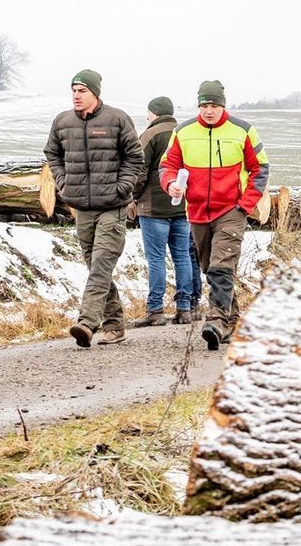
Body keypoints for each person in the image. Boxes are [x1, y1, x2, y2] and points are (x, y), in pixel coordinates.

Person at [159, 80, 269, 351]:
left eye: (214, 105)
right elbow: (167, 165)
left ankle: (217, 322)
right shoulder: (183, 131)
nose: (209, 110)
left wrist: (245, 204)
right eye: (204, 105)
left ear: (223, 105)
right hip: (196, 211)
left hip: (231, 210)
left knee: (222, 265)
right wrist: (171, 183)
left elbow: (260, 169)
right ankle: (233, 319)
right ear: (199, 105)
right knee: (210, 267)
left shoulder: (243, 131)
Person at [45, 69, 145, 349]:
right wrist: (63, 181)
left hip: (113, 206)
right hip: (82, 207)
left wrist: (122, 187)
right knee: (95, 266)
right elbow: (52, 153)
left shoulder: (116, 119)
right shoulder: (62, 122)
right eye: (74, 91)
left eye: (82, 91)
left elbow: (135, 157)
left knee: (101, 262)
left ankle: (87, 322)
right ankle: (114, 324)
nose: (77, 96)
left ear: (95, 93)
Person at [132, 96, 196, 327]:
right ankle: (185, 308)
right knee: (182, 257)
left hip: (153, 207)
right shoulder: (184, 134)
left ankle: (155, 310)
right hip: (182, 205)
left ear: (155, 113)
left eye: (148, 113)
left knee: (157, 259)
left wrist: (134, 197)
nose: (147, 117)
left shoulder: (149, 134)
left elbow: (139, 170)